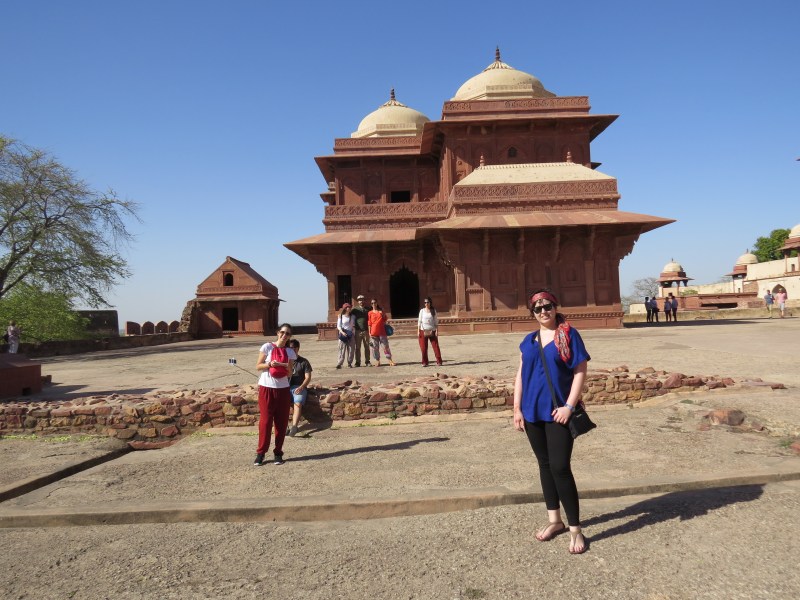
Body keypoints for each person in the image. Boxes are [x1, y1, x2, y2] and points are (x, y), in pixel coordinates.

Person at [513, 289, 590, 555]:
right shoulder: (529, 340)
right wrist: (516, 409)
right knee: (545, 465)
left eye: (548, 306)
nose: (543, 311)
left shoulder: (568, 334)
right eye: (538, 308)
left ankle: (576, 530)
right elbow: (521, 374)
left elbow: (580, 369)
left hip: (558, 411)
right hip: (531, 411)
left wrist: (569, 405)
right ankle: (554, 521)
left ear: (556, 307)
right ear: (532, 312)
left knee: (560, 467)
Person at [254, 323, 296, 466]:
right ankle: (261, 453)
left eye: (288, 334)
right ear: (278, 332)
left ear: (290, 337)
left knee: (281, 422)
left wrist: (284, 366)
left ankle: (278, 452)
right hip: (267, 387)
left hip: (283, 388)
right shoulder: (267, 347)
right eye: (282, 332)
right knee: (265, 422)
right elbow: (258, 366)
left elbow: (290, 373)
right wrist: (270, 364)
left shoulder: (290, 352)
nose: (284, 336)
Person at [287, 338, 312, 437]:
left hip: (299, 387)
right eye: (289, 348)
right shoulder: (285, 361)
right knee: (282, 403)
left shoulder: (303, 362)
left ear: (297, 349)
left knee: (298, 401)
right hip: (286, 387)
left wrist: (302, 387)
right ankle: (284, 427)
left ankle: (294, 426)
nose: (290, 350)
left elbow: (308, 377)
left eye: (292, 348)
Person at [368, 299, 395, 366]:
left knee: (385, 347)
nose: (373, 304)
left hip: (382, 332)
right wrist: (369, 332)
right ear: (371, 304)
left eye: (374, 303)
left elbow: (385, 319)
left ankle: (390, 360)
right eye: (372, 303)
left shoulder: (380, 311)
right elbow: (369, 323)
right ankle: (377, 361)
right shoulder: (370, 313)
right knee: (375, 348)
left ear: (377, 303)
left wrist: (382, 314)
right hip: (374, 332)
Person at [417, 297, 443, 367]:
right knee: (423, 348)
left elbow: (435, 321)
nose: (426, 304)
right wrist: (418, 330)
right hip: (423, 330)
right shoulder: (422, 311)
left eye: (427, 302)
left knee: (435, 346)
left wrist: (437, 330)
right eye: (425, 302)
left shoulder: (433, 311)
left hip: (432, 330)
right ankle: (424, 362)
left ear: (430, 303)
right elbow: (419, 321)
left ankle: (439, 361)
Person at [351, 294, 371, 367]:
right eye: (359, 300)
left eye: (362, 300)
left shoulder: (367, 309)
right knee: (358, 347)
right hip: (358, 331)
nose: (361, 301)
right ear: (358, 301)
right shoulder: (355, 310)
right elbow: (348, 316)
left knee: (367, 347)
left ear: (364, 300)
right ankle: (358, 362)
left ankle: (367, 361)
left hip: (366, 330)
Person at [336, 303, 356, 368]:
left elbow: (353, 326)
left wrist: (353, 333)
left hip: (350, 334)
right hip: (343, 334)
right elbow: (338, 326)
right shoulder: (341, 316)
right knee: (341, 349)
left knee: (351, 350)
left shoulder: (353, 316)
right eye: (348, 307)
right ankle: (339, 363)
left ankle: (349, 363)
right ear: (345, 308)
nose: (349, 308)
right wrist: (342, 332)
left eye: (350, 307)